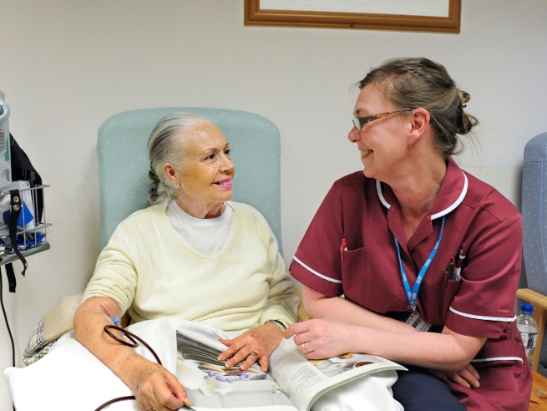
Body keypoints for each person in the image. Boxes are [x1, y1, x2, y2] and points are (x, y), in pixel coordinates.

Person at [285, 57, 532, 411]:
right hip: (386, 363)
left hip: (475, 376)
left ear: (415, 123)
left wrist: (353, 334)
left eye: (365, 120)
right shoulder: (347, 195)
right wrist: (424, 346)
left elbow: (460, 349)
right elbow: (317, 301)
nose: (353, 134)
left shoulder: (494, 221)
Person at [74, 112, 299, 411]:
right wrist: (137, 370)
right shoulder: (137, 231)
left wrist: (269, 331)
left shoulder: (253, 221)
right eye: (210, 157)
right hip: (171, 362)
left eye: (227, 151)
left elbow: (283, 297)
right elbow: (94, 313)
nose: (228, 165)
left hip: (257, 362)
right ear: (172, 173)